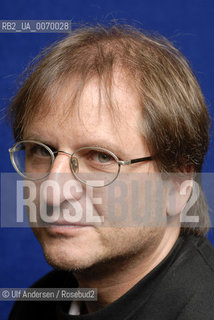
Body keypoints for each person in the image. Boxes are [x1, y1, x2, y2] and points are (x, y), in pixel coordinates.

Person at [8, 23, 214, 319]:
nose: (53, 191)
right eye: (42, 150)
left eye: (101, 157)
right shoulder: (33, 306)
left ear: (179, 183)